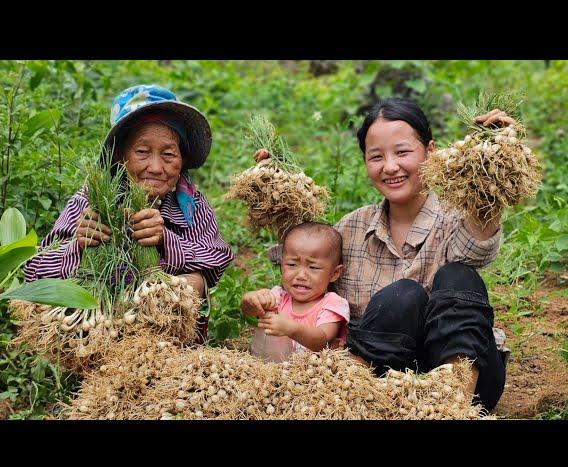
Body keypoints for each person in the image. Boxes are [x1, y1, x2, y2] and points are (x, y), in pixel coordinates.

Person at [255, 98, 512, 411]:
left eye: (402, 152)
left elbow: (478, 244)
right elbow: (303, 259)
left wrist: (491, 161)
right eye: (376, 157)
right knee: (404, 295)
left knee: (460, 275)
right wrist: (277, 188)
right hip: (377, 382)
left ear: (431, 152)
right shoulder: (351, 228)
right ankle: (337, 399)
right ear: (365, 162)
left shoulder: (456, 218)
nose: (390, 167)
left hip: (466, 381)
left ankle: (450, 403)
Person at [23, 84, 234, 344]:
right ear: (121, 156)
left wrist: (165, 240)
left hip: (167, 334)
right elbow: (34, 271)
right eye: (142, 152)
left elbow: (219, 258)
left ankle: (169, 357)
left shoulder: (191, 203)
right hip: (104, 331)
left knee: (194, 281)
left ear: (182, 159)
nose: (156, 167)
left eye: (168, 154)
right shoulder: (92, 199)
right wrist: (78, 247)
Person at [241, 222, 349, 357]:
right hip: (271, 370)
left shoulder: (332, 304)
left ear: (334, 273)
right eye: (292, 264)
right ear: (281, 266)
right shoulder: (277, 298)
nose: (301, 275)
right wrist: (251, 300)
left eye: (313, 267)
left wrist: (291, 329)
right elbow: (250, 311)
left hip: (314, 373)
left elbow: (322, 340)